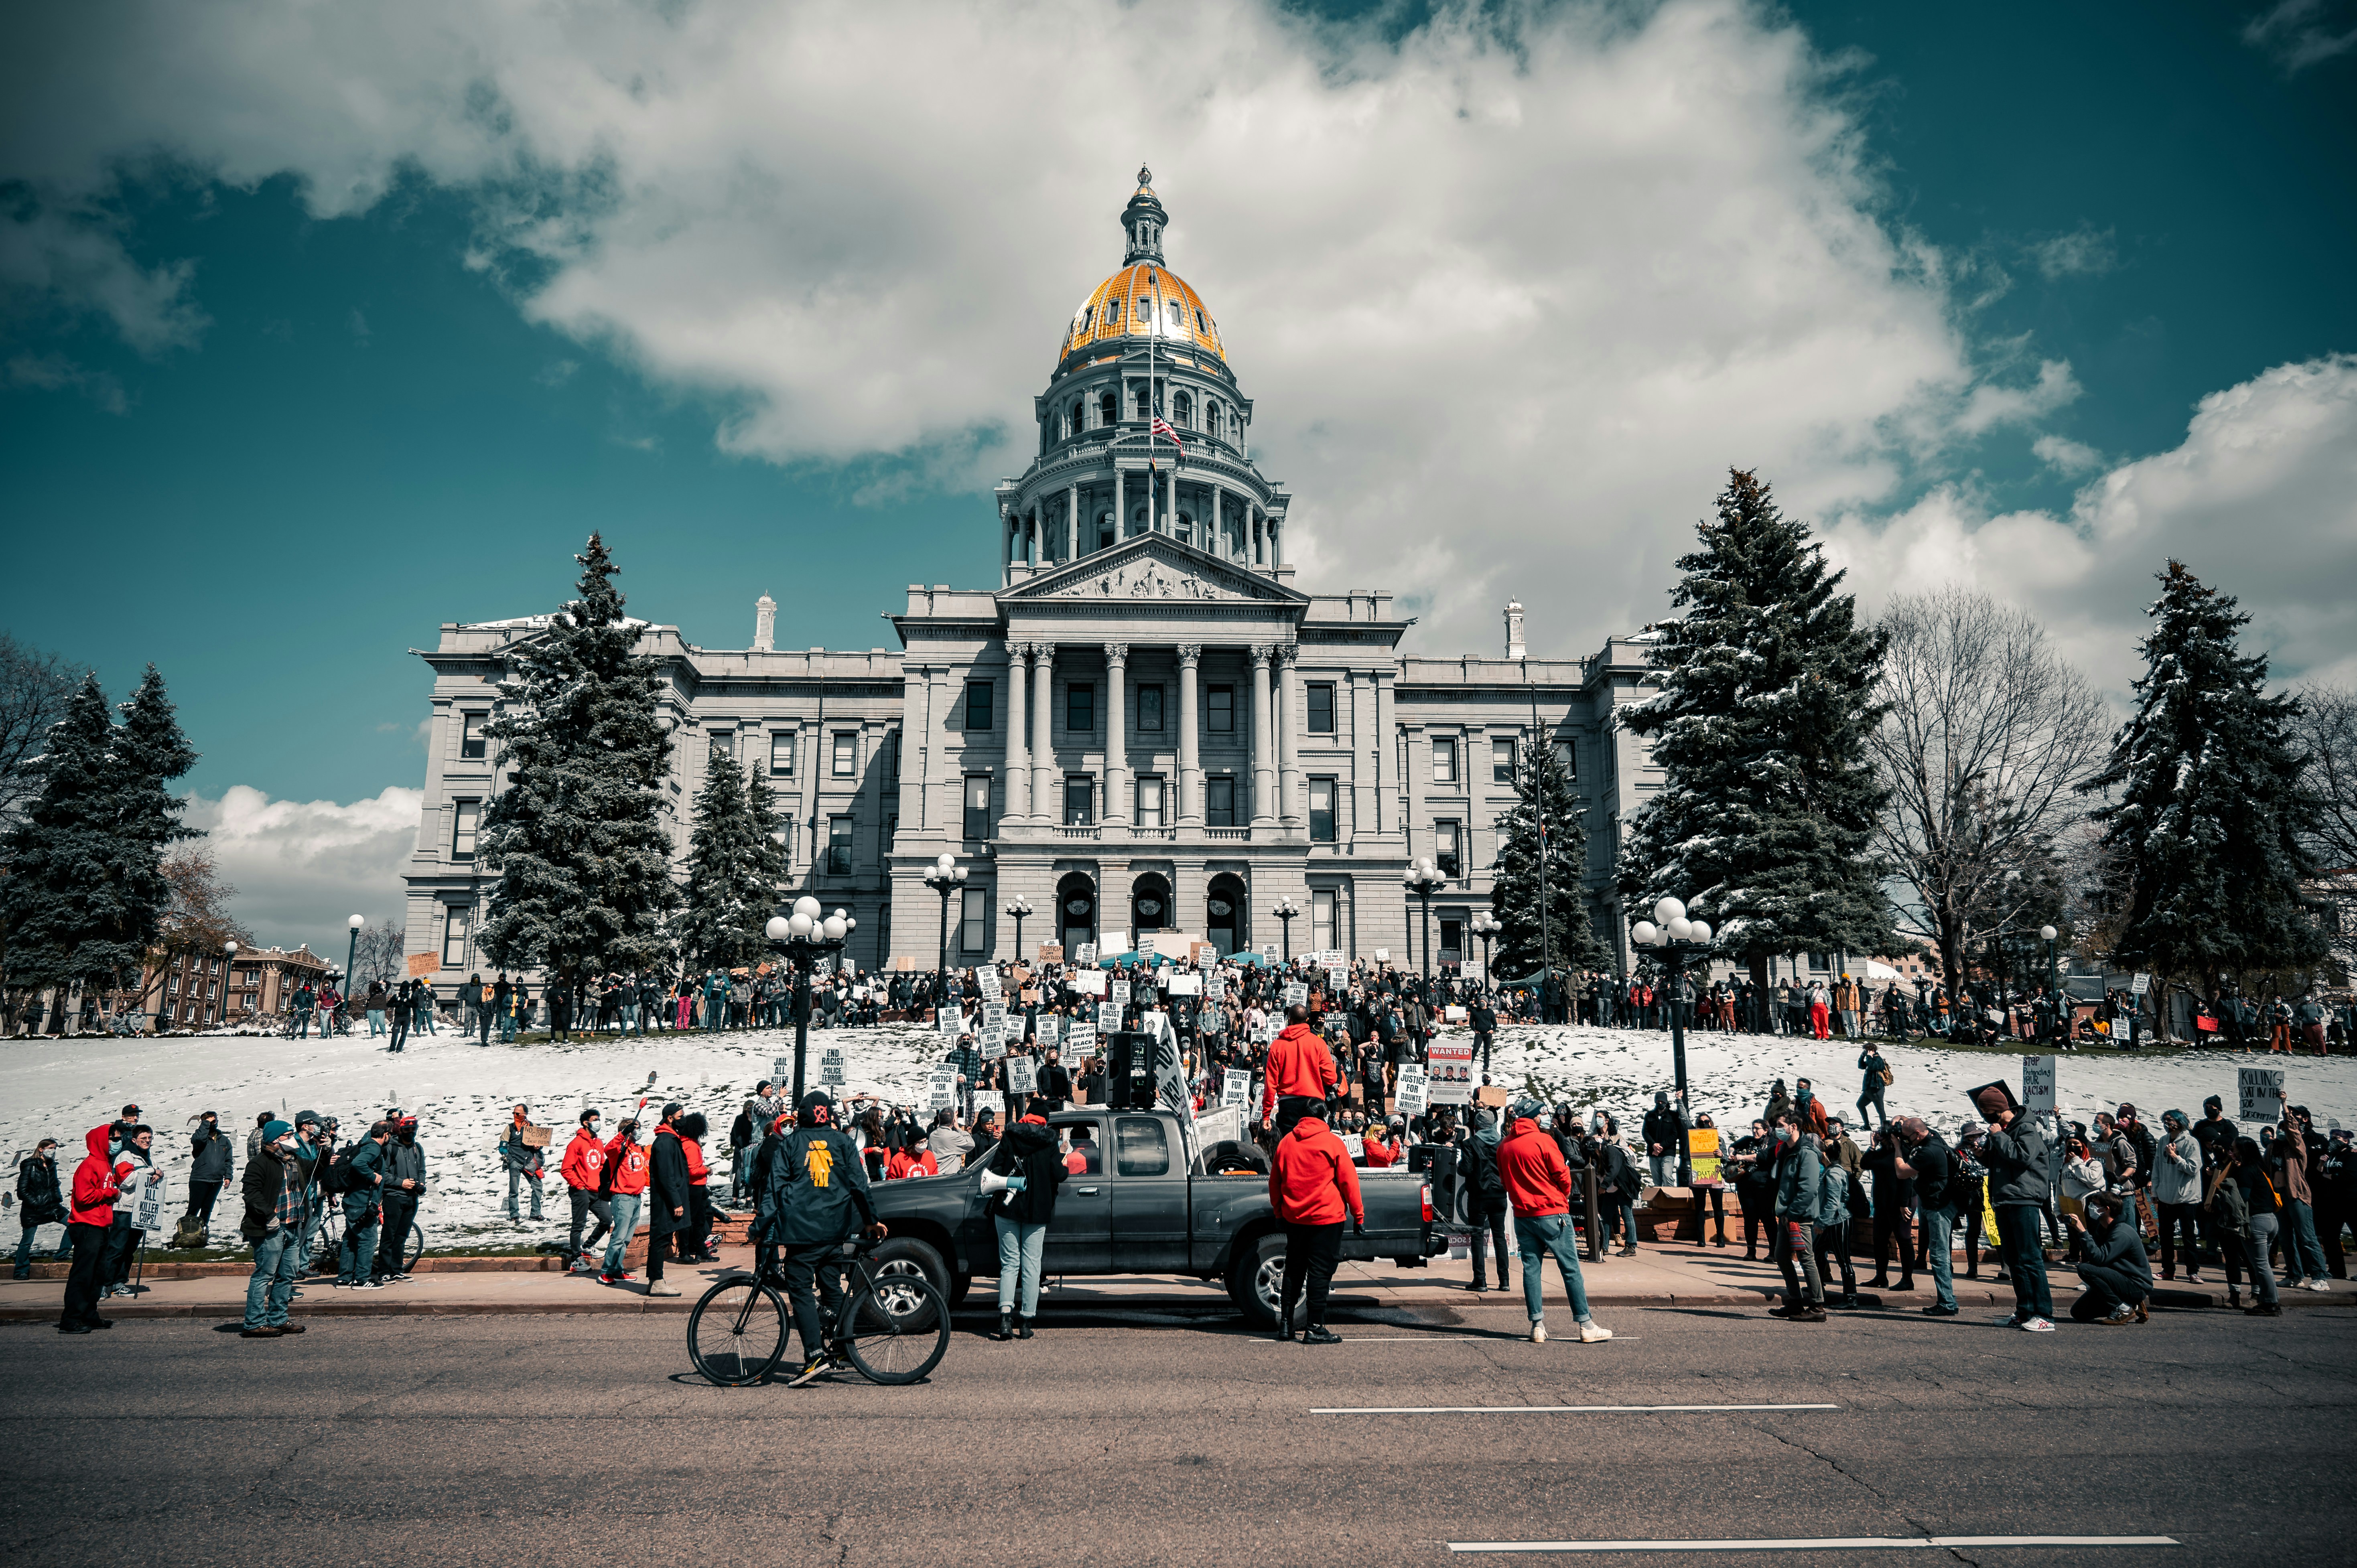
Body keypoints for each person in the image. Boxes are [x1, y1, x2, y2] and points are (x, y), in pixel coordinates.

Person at [761, 1092, 882, 1384]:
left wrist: (758, 1228)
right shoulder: (842, 1141)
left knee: (800, 1288)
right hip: (835, 1230)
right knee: (831, 1287)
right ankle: (842, 1348)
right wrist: (871, 1221)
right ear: (828, 1114)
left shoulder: (789, 1143)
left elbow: (774, 1189)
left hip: (803, 1233)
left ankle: (815, 1353)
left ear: (801, 1116)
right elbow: (859, 1185)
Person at [1497, 1097, 1612, 1344]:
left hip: (1523, 1214)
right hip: (1552, 1211)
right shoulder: (1543, 1140)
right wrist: (1563, 1195)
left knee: (1531, 1269)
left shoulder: (1505, 1146)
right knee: (1570, 1269)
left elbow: (1505, 1183)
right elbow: (1563, 1174)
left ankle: (1537, 1325)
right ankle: (1586, 1324)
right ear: (1535, 1117)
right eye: (1542, 1114)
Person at [1268, 1097, 1363, 1345]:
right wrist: (1359, 1215)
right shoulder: (1332, 1142)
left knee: (1294, 1270)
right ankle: (1315, 1327)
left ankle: (1286, 1325)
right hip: (1327, 1218)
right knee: (1320, 1273)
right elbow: (1349, 1182)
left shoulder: (1287, 1142)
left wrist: (1279, 1213)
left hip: (1295, 1218)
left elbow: (1275, 1183)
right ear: (1325, 1117)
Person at [982, 1112, 1067, 1339]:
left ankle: (1005, 1319)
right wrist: (1065, 1163)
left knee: (1009, 1264)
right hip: (1037, 1211)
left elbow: (996, 1170)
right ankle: (1027, 1322)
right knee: (1032, 1265)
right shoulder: (1049, 1141)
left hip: (1008, 1208)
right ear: (1043, 1122)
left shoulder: (1010, 1137)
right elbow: (1059, 1175)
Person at [1978, 1087, 2055, 1332]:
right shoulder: (2005, 1131)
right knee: (2014, 1260)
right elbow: (2003, 1160)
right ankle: (2025, 1312)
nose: (1985, 1116)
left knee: (2030, 1258)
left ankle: (2044, 1315)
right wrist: (1983, 1154)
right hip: (2005, 1199)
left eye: (1987, 1111)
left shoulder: (2026, 1128)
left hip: (2024, 1200)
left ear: (2000, 1109)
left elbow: (2022, 1157)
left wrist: (1999, 1137)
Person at [238, 1121, 310, 1339]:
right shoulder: (260, 1163)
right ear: (276, 1139)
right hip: (271, 1228)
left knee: (287, 1274)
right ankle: (254, 1323)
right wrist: (269, 1217)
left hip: (292, 1225)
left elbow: (319, 1167)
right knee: (265, 1275)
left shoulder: (294, 1160)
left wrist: (326, 1150)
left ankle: (278, 1319)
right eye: (288, 1135)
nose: (293, 1139)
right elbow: (251, 1194)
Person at [59, 1126, 123, 1333]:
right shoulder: (89, 1165)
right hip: (87, 1225)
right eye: (113, 1139)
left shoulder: (105, 1164)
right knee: (83, 1274)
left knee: (97, 1274)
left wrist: (111, 1193)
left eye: (118, 1139)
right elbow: (84, 1197)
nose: (117, 1142)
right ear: (101, 1141)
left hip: (101, 1225)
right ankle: (71, 1319)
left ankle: (89, 1314)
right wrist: (110, 1193)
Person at [1895, 1117, 1959, 1316]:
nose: (1905, 1140)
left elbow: (1902, 1172)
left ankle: (1947, 1303)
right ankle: (1948, 1301)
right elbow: (1918, 1127)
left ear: (1918, 1134)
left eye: (1907, 1137)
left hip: (1938, 1207)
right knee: (1940, 1255)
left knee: (1939, 1256)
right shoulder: (1933, 1139)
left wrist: (1897, 1148)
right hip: (1940, 1204)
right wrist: (1903, 1124)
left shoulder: (1929, 1151)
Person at [1768, 1112, 1827, 1321]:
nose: (1777, 1129)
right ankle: (1795, 1301)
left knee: (1806, 1258)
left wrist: (1792, 1212)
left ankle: (1818, 1306)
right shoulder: (1785, 1150)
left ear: (1793, 1127)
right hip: (1786, 1215)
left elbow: (1809, 1189)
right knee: (1782, 1256)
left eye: (1781, 1125)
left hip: (1799, 1216)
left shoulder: (1807, 1153)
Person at [2213, 1135, 2279, 1315]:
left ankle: (2271, 1304)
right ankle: (2268, 1301)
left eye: (2233, 1149)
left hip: (2257, 1222)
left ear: (2243, 1151)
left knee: (2261, 1265)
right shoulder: (2259, 1168)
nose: (2230, 1152)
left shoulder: (2246, 1171)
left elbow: (2242, 1199)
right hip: (2271, 1220)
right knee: (2262, 1264)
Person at [2067, 1192, 2152, 1325]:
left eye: (2095, 1204)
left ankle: (2123, 1308)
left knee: (2084, 1269)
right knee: (2079, 1313)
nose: (2091, 1207)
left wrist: (2083, 1232)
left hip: (2135, 1285)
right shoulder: (2103, 1229)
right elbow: (2093, 1254)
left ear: (2107, 1209)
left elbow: (2100, 1259)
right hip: (2118, 1281)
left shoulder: (2122, 1232)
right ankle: (2131, 1305)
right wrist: (2076, 1230)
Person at [644, 1104, 694, 1298]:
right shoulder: (665, 1141)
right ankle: (657, 1282)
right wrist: (676, 1202)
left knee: (661, 1238)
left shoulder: (670, 1139)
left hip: (668, 1199)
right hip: (666, 1201)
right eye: (681, 1116)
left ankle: (654, 1281)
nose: (684, 1119)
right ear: (670, 1119)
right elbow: (666, 1176)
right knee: (660, 1239)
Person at [1261, 1004, 1339, 1130]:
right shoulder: (1319, 1043)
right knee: (1313, 1146)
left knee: (1290, 1146)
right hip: (1314, 1103)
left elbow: (1271, 1084)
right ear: (1307, 1020)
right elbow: (1331, 1079)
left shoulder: (1277, 1045)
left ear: (1289, 1019)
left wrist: (1266, 1115)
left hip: (1288, 1105)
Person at [1462, 1109, 1512, 1294]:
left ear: (1477, 1126)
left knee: (1477, 1237)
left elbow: (1465, 1169)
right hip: (1499, 1195)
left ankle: (1480, 1280)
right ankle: (1504, 1281)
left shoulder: (1471, 1144)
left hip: (1479, 1196)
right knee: (1499, 1237)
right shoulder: (1503, 1143)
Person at [335, 1121, 389, 1289]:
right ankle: (362, 1279)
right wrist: (373, 1177)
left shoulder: (365, 1144)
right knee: (368, 1240)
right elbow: (358, 1163)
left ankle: (344, 1279)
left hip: (353, 1201)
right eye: (390, 1134)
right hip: (362, 1203)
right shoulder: (373, 1148)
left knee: (351, 1239)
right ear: (385, 1135)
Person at [2152, 1109, 2204, 1282]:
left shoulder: (2191, 1143)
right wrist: (2156, 1191)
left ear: (2180, 1121)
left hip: (2186, 1198)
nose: (2167, 1124)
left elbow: (2193, 1169)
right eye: (2165, 1120)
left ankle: (2193, 1272)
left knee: (2188, 1236)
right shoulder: (2163, 1141)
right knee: (2166, 1237)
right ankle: (2168, 1270)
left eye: (2170, 1120)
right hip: (2166, 1196)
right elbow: (2157, 1168)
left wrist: (2175, 1156)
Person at [375, 1115, 425, 1282]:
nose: (411, 1133)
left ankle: (397, 1269)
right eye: (407, 1130)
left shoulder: (418, 1148)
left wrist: (421, 1183)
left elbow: (422, 1170)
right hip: (394, 1197)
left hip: (412, 1198)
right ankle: (384, 1271)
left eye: (413, 1130)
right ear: (401, 1130)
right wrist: (401, 1183)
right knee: (390, 1234)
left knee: (402, 1235)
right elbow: (384, 1174)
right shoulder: (390, 1148)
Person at [562, 1110, 612, 1272]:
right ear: (586, 1123)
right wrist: (579, 1185)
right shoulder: (576, 1144)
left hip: (597, 1190)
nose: (598, 1122)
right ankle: (576, 1260)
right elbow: (566, 1169)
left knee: (607, 1219)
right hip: (581, 1191)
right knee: (579, 1225)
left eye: (599, 1119)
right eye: (595, 1120)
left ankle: (588, 1246)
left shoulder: (598, 1143)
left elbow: (601, 1164)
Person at [600, 1118, 648, 1284]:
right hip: (623, 1197)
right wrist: (623, 1134)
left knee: (626, 1239)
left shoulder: (637, 1149)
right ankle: (606, 1272)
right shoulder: (619, 1150)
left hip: (637, 1198)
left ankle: (617, 1269)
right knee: (619, 1237)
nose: (639, 1132)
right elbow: (609, 1148)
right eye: (636, 1129)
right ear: (629, 1131)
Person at [14, 1138, 70, 1278]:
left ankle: (61, 1255)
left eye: (55, 1149)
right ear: (41, 1149)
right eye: (51, 1148)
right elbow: (22, 1190)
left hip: (53, 1207)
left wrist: (57, 1198)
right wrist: (36, 1203)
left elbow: (53, 1184)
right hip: (33, 1210)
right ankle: (21, 1270)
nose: (53, 1151)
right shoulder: (30, 1165)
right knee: (27, 1241)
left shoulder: (52, 1165)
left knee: (75, 1223)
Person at [184, 1111, 233, 1241]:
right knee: (194, 1208)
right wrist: (206, 1123)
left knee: (207, 1209)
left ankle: (201, 1235)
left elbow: (228, 1160)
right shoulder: (200, 1137)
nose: (214, 1122)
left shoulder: (224, 1140)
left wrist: (228, 1176)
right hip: (199, 1178)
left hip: (216, 1180)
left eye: (215, 1120)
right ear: (204, 1123)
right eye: (210, 1120)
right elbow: (198, 1139)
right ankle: (187, 1235)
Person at [499, 1104, 544, 1223]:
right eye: (514, 1113)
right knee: (514, 1190)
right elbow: (502, 1147)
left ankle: (536, 1214)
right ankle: (514, 1215)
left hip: (529, 1162)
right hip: (514, 1162)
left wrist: (538, 1147)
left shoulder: (533, 1127)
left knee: (538, 1186)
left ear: (525, 1114)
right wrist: (510, 1159)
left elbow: (541, 1143)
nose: (515, 1116)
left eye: (518, 1114)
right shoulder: (510, 1128)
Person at [1642, 1091, 1683, 1188]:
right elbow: (1645, 1132)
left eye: (1662, 1102)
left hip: (1668, 1152)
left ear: (1666, 1102)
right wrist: (1653, 1145)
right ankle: (1661, 1201)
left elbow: (1675, 1134)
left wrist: (1662, 1146)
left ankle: (1671, 1199)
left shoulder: (1673, 1116)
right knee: (1657, 1179)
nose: (1660, 1104)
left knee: (1667, 1175)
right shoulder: (1650, 1115)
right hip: (1653, 1152)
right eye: (1658, 1102)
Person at [1855, 1045, 1890, 1130]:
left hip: (1876, 1090)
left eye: (1866, 1050)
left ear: (1871, 1050)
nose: (1865, 1052)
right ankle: (1867, 1125)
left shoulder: (1878, 1059)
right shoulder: (1870, 1058)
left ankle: (1884, 1128)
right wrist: (1862, 1057)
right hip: (1868, 1090)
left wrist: (1869, 1056)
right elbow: (1861, 1066)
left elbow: (1872, 1066)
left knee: (1880, 1110)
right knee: (1860, 1105)